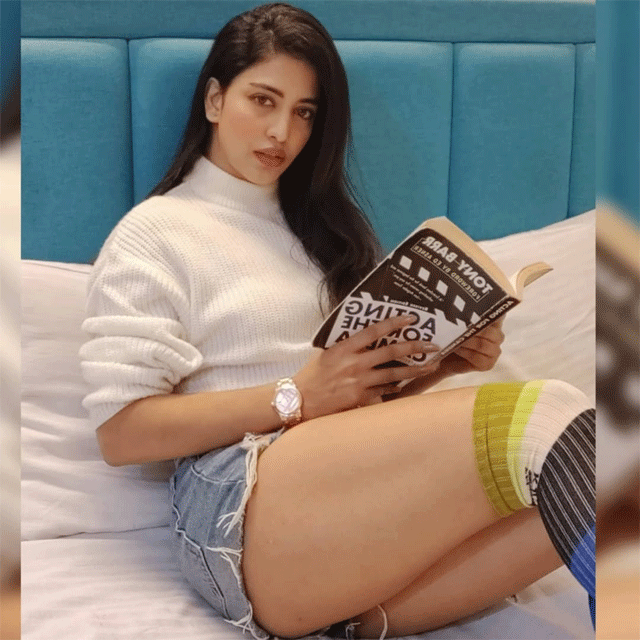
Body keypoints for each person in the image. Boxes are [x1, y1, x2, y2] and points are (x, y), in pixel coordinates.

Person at [80, 4, 595, 639]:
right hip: (236, 498)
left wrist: (440, 365)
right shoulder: (154, 233)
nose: (281, 132)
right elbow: (120, 434)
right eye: (262, 100)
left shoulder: (320, 236)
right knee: (550, 416)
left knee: (592, 481)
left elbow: (345, 413)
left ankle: (353, 620)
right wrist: (296, 395)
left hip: (323, 511)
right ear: (214, 99)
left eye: (304, 112)